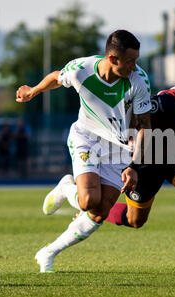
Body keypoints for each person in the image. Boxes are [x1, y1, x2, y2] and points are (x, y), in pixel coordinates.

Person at [46, 62, 175, 276]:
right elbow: (137, 117)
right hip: (146, 159)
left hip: (173, 152)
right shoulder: (172, 102)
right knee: (135, 220)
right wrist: (132, 161)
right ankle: (82, 199)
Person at [16, 30, 152, 272]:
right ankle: (66, 187)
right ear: (112, 59)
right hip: (86, 138)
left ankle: (48, 252)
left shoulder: (139, 80)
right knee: (88, 200)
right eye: (130, 61)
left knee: (100, 212)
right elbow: (57, 78)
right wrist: (33, 91)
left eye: (136, 60)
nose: (135, 66)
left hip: (119, 147)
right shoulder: (81, 69)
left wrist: (134, 166)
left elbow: (144, 126)